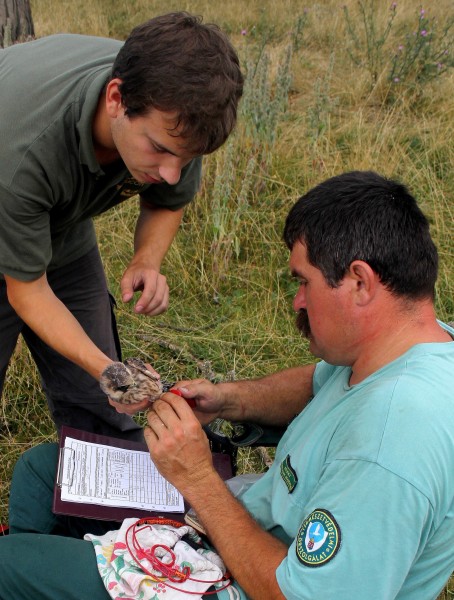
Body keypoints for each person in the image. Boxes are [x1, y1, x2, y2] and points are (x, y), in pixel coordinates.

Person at [0, 171, 453, 599]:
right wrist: (226, 401)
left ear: (360, 282)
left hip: (244, 578)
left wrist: (196, 477)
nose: (297, 301)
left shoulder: (391, 445)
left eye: (303, 282)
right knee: (44, 473)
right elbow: (316, 386)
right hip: (242, 518)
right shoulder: (412, 344)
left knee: (8, 565)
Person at [0, 12, 243, 440]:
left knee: (98, 403)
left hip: (59, 224)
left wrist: (147, 258)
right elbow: (28, 292)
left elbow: (167, 201)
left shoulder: (176, 114)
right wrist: (112, 372)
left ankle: (95, 498)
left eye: (184, 160)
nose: (173, 173)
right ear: (116, 99)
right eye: (161, 152)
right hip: (8, 191)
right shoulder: (22, 155)